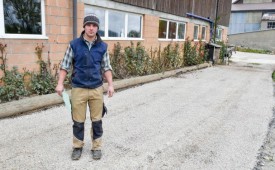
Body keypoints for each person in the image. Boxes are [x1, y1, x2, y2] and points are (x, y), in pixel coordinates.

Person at [55, 14, 114, 160]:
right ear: (84, 26)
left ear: (97, 28)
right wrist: (60, 83)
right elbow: (65, 65)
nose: (91, 28)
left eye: (94, 26)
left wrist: (111, 85)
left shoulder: (103, 47)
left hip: (96, 89)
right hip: (78, 88)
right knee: (78, 121)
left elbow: (106, 67)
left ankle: (96, 147)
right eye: (88, 25)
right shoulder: (74, 44)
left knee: (97, 121)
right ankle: (77, 147)